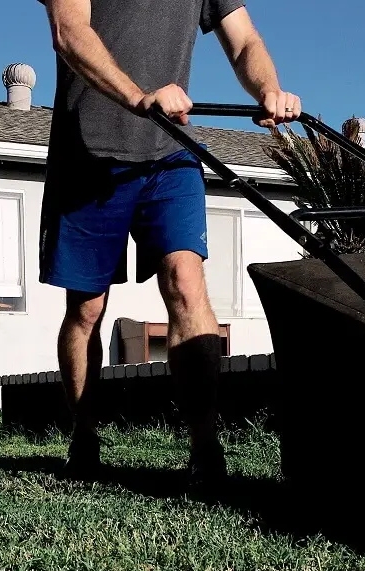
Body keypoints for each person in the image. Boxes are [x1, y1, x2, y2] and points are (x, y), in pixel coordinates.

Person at [38, 0, 302, 486]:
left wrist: (268, 89)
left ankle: (205, 449)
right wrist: (140, 97)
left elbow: (244, 41)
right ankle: (84, 436)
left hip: (168, 153)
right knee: (87, 309)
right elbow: (68, 33)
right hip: (89, 157)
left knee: (186, 282)